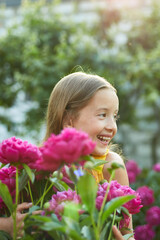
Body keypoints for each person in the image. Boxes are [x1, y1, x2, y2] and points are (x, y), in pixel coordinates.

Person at [43, 72, 135, 240]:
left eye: (115, 116)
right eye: (102, 115)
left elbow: (128, 234)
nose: (112, 126)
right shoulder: (42, 167)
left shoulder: (111, 166)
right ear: (68, 119)